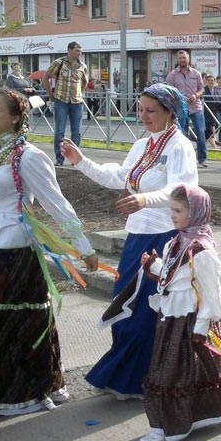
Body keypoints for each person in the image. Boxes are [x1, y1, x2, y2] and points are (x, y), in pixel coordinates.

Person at [0, 88, 98, 431]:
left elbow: (56, 202)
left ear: (15, 117)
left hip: (16, 250)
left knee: (1, 325)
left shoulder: (28, 156)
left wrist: (82, 246)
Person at [63, 83, 199, 399]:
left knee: (147, 311)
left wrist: (144, 199)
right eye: (141, 109)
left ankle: (146, 380)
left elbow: (181, 190)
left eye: (151, 110)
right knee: (125, 302)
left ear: (170, 111)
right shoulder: (142, 145)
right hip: (138, 236)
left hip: (166, 236)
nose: (144, 116)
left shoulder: (180, 146)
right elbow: (119, 177)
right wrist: (81, 161)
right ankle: (127, 375)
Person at [138, 184, 221, 441]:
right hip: (171, 317)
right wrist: (153, 264)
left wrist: (200, 328)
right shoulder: (177, 240)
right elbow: (172, 272)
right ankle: (165, 424)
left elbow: (211, 293)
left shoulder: (202, 250)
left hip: (191, 319)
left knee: (179, 372)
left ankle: (172, 426)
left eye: (178, 210)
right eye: (171, 210)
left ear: (196, 212)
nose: (172, 215)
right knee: (176, 370)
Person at [45, 41, 89, 167]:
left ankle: (75, 160)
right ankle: (59, 158)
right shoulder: (59, 63)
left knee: (77, 132)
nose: (80, 53)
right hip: (61, 101)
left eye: (80, 50)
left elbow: (84, 82)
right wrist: (51, 95)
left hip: (76, 102)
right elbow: (45, 77)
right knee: (59, 131)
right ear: (69, 50)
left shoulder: (83, 66)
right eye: (77, 50)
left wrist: (79, 93)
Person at [165, 51, 208, 168]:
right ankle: (185, 158)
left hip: (196, 106)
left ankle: (202, 159)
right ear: (177, 60)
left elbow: (202, 89)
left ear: (188, 59)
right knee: (182, 134)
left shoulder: (196, 73)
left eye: (184, 58)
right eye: (180, 58)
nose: (182, 60)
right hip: (180, 107)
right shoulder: (172, 74)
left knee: (201, 131)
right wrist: (180, 96)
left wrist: (196, 95)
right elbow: (168, 90)